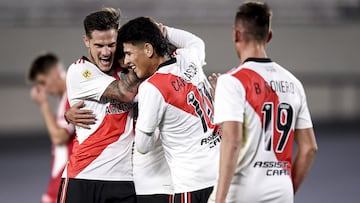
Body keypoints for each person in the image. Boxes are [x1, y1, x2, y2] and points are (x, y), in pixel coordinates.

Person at [209, 2, 318, 203]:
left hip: (243, 190)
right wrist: (285, 190)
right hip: (281, 189)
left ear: (236, 34)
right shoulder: (293, 83)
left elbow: (232, 142)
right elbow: (309, 147)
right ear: (268, 36)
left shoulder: (232, 81)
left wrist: (220, 199)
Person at [118, 17, 221, 203]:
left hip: (193, 185)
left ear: (148, 49)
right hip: (222, 176)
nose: (126, 62)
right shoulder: (187, 58)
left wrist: (152, 120)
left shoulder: (152, 87)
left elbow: (143, 146)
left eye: (129, 53)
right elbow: (196, 42)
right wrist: (164, 30)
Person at [58, 8, 140, 203]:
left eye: (111, 44)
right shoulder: (80, 71)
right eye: (99, 45)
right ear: (86, 41)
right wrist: (140, 64)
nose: (106, 52)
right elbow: (124, 93)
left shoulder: (126, 67)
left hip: (124, 180)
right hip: (83, 176)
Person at [28, 52, 75, 203]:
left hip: (67, 176)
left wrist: (43, 105)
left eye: (43, 82)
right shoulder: (64, 96)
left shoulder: (72, 94)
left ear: (55, 72)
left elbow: (59, 136)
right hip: (63, 176)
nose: (43, 89)